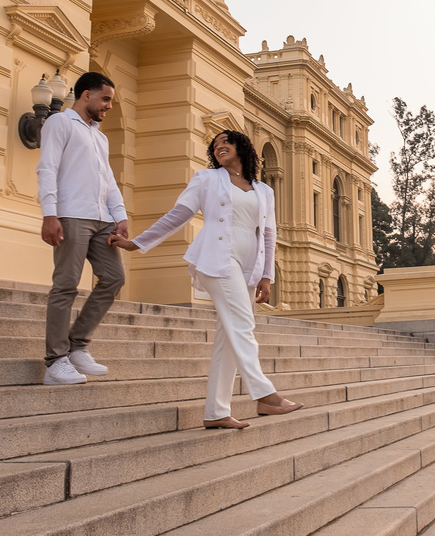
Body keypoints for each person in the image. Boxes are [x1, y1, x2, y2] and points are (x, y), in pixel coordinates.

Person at [110, 129, 302, 428]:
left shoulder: (264, 190)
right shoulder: (207, 179)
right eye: (215, 145)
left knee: (229, 337)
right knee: (242, 325)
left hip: (249, 266)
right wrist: (138, 243)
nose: (219, 147)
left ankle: (216, 412)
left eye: (225, 142)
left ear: (242, 147)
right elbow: (178, 215)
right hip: (217, 258)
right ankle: (265, 395)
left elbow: (268, 233)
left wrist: (266, 276)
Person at [36, 71, 129, 385]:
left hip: (102, 219)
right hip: (71, 215)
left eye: (111, 101)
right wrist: (50, 214)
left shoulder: (99, 136)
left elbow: (109, 180)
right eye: (105, 99)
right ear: (86, 94)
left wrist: (120, 216)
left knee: (115, 278)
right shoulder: (59, 123)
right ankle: (55, 361)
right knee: (66, 285)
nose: (109, 106)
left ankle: (77, 346)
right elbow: (47, 168)